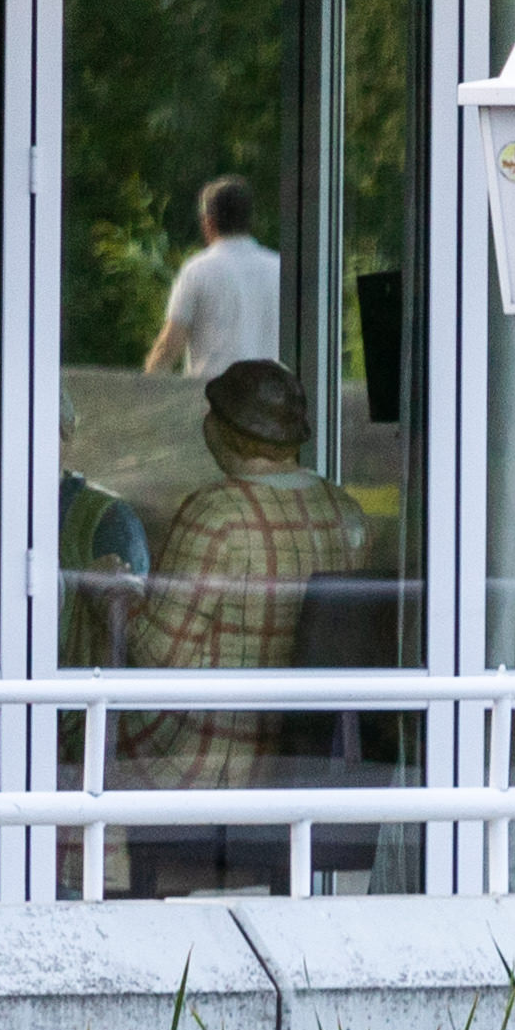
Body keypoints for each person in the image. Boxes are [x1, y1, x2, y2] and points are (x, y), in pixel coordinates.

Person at [113, 358, 360, 790]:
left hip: (207, 765)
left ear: (224, 427)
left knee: (63, 750)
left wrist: (114, 595)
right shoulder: (345, 511)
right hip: (304, 768)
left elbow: (158, 656)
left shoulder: (217, 513)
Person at [142, 178, 282, 380]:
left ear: (208, 221)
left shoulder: (198, 271)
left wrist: (145, 389)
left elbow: (169, 347)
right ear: (250, 220)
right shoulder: (278, 269)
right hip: (267, 395)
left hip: (211, 395)